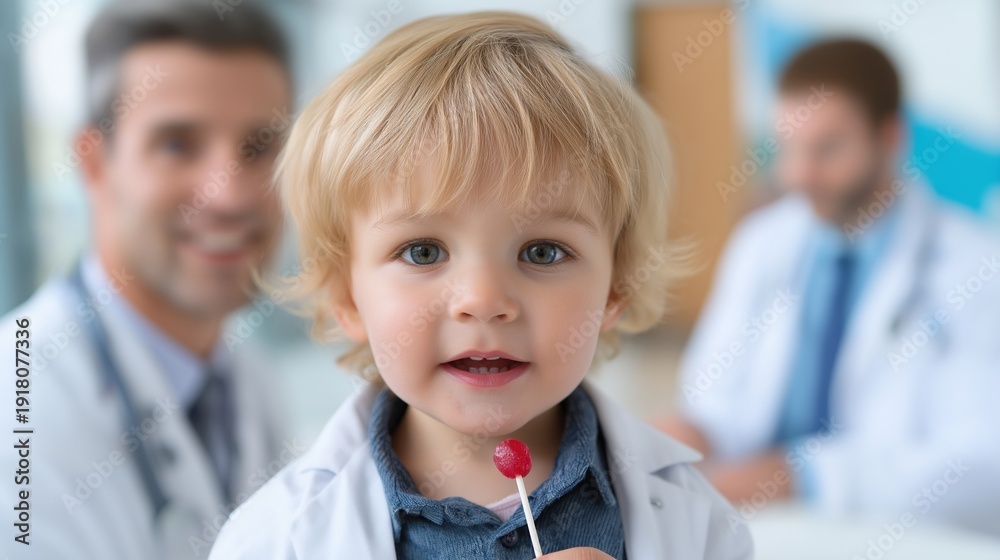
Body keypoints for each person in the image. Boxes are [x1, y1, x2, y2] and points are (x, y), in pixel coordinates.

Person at [208, 12, 753, 560]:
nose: (485, 301)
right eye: (423, 252)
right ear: (347, 296)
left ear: (616, 288)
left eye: (542, 252)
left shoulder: (698, 523)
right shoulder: (272, 539)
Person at [662, 39, 1000, 536]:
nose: (799, 174)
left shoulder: (975, 265)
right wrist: (686, 435)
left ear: (890, 137)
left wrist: (801, 474)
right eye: (788, 148)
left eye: (827, 149)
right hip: (763, 527)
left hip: (894, 534)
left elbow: (980, 462)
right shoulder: (764, 241)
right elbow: (714, 396)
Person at [1, 2, 296, 558]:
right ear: (93, 164)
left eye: (260, 147)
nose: (229, 195)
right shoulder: (15, 411)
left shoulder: (251, 384)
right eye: (177, 144)